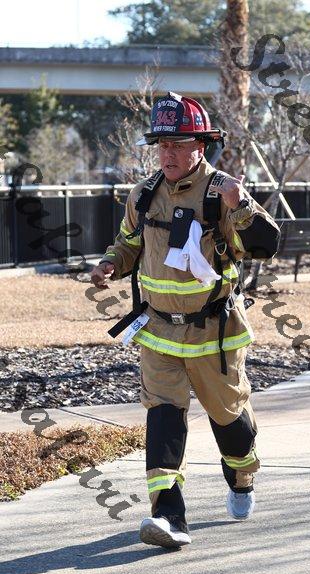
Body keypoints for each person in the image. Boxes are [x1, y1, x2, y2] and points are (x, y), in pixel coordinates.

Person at [90, 91, 281, 549]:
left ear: (201, 145)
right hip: (158, 332)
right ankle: (169, 517)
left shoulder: (222, 193)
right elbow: (128, 243)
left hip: (215, 335)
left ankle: (242, 478)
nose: (168, 154)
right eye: (162, 144)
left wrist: (241, 205)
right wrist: (111, 262)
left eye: (178, 144)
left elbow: (265, 246)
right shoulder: (143, 194)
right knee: (163, 419)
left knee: (230, 422)